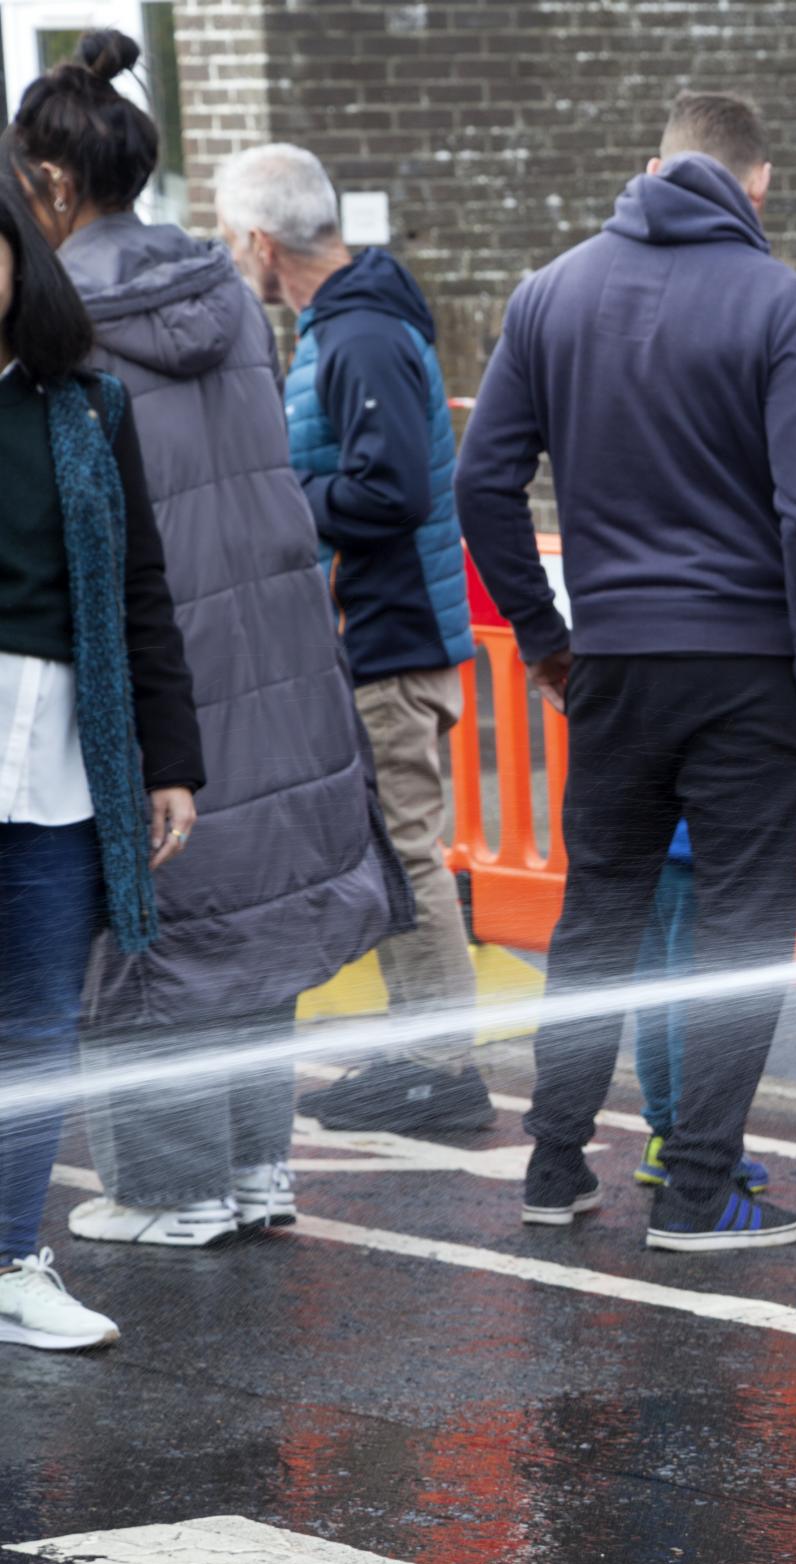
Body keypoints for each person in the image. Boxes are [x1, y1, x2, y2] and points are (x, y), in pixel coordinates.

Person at [9, 32, 408, 1249]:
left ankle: (173, 1190)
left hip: (159, 655)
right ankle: (256, 1175)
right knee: (257, 918)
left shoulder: (66, 322)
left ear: (54, 186)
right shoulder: (224, 293)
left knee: (158, 929)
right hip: (279, 647)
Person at [456, 90, 796, 1252]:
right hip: (750, 666)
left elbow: (483, 486)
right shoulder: (783, 304)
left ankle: (553, 1162)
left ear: (651, 167)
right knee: (738, 931)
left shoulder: (550, 294)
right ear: (759, 184)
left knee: (597, 915)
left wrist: (544, 638)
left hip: (615, 660)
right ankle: (698, 1191)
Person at [212, 139, 492, 1136]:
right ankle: (420, 1052)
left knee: (408, 852)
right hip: (386, 631)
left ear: (258, 240)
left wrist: (277, 493)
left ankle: (442, 1069)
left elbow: (390, 490)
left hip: (392, 636)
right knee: (391, 850)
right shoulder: (354, 320)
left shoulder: (360, 333)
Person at [0, 176, 200, 1347]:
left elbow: (140, 590)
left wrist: (169, 761)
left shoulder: (85, 407)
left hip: (61, 765)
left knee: (35, 1027)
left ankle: (14, 1259)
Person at [626, 824, 770, 1199]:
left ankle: (662, 1139)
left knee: (654, 1002)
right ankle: (691, 1145)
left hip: (641, 849)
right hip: (702, 855)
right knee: (691, 1010)